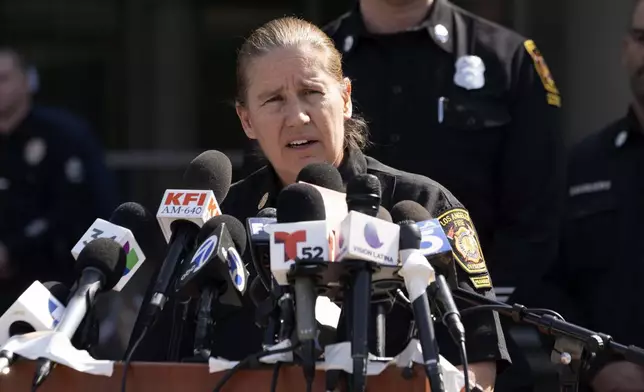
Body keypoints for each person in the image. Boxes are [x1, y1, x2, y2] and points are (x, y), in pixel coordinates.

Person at [211, 17, 509, 389]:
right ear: (246, 120)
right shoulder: (222, 220)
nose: (298, 116)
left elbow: (477, 365)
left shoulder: (420, 205)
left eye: (312, 92)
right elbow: (160, 358)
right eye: (274, 100)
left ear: (346, 98)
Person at [322, 0, 564, 291]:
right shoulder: (315, 60)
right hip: (340, 300)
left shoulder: (507, 57)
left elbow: (537, 210)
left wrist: (488, 305)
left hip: (468, 305)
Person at [513, 1, 644, 391]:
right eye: (642, 38)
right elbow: (542, 280)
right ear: (625, 49)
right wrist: (596, 365)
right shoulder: (583, 166)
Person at [0, 47, 117, 313]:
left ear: (27, 81)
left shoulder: (64, 135)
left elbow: (77, 208)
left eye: (4, 78)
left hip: (54, 282)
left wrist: (13, 250)